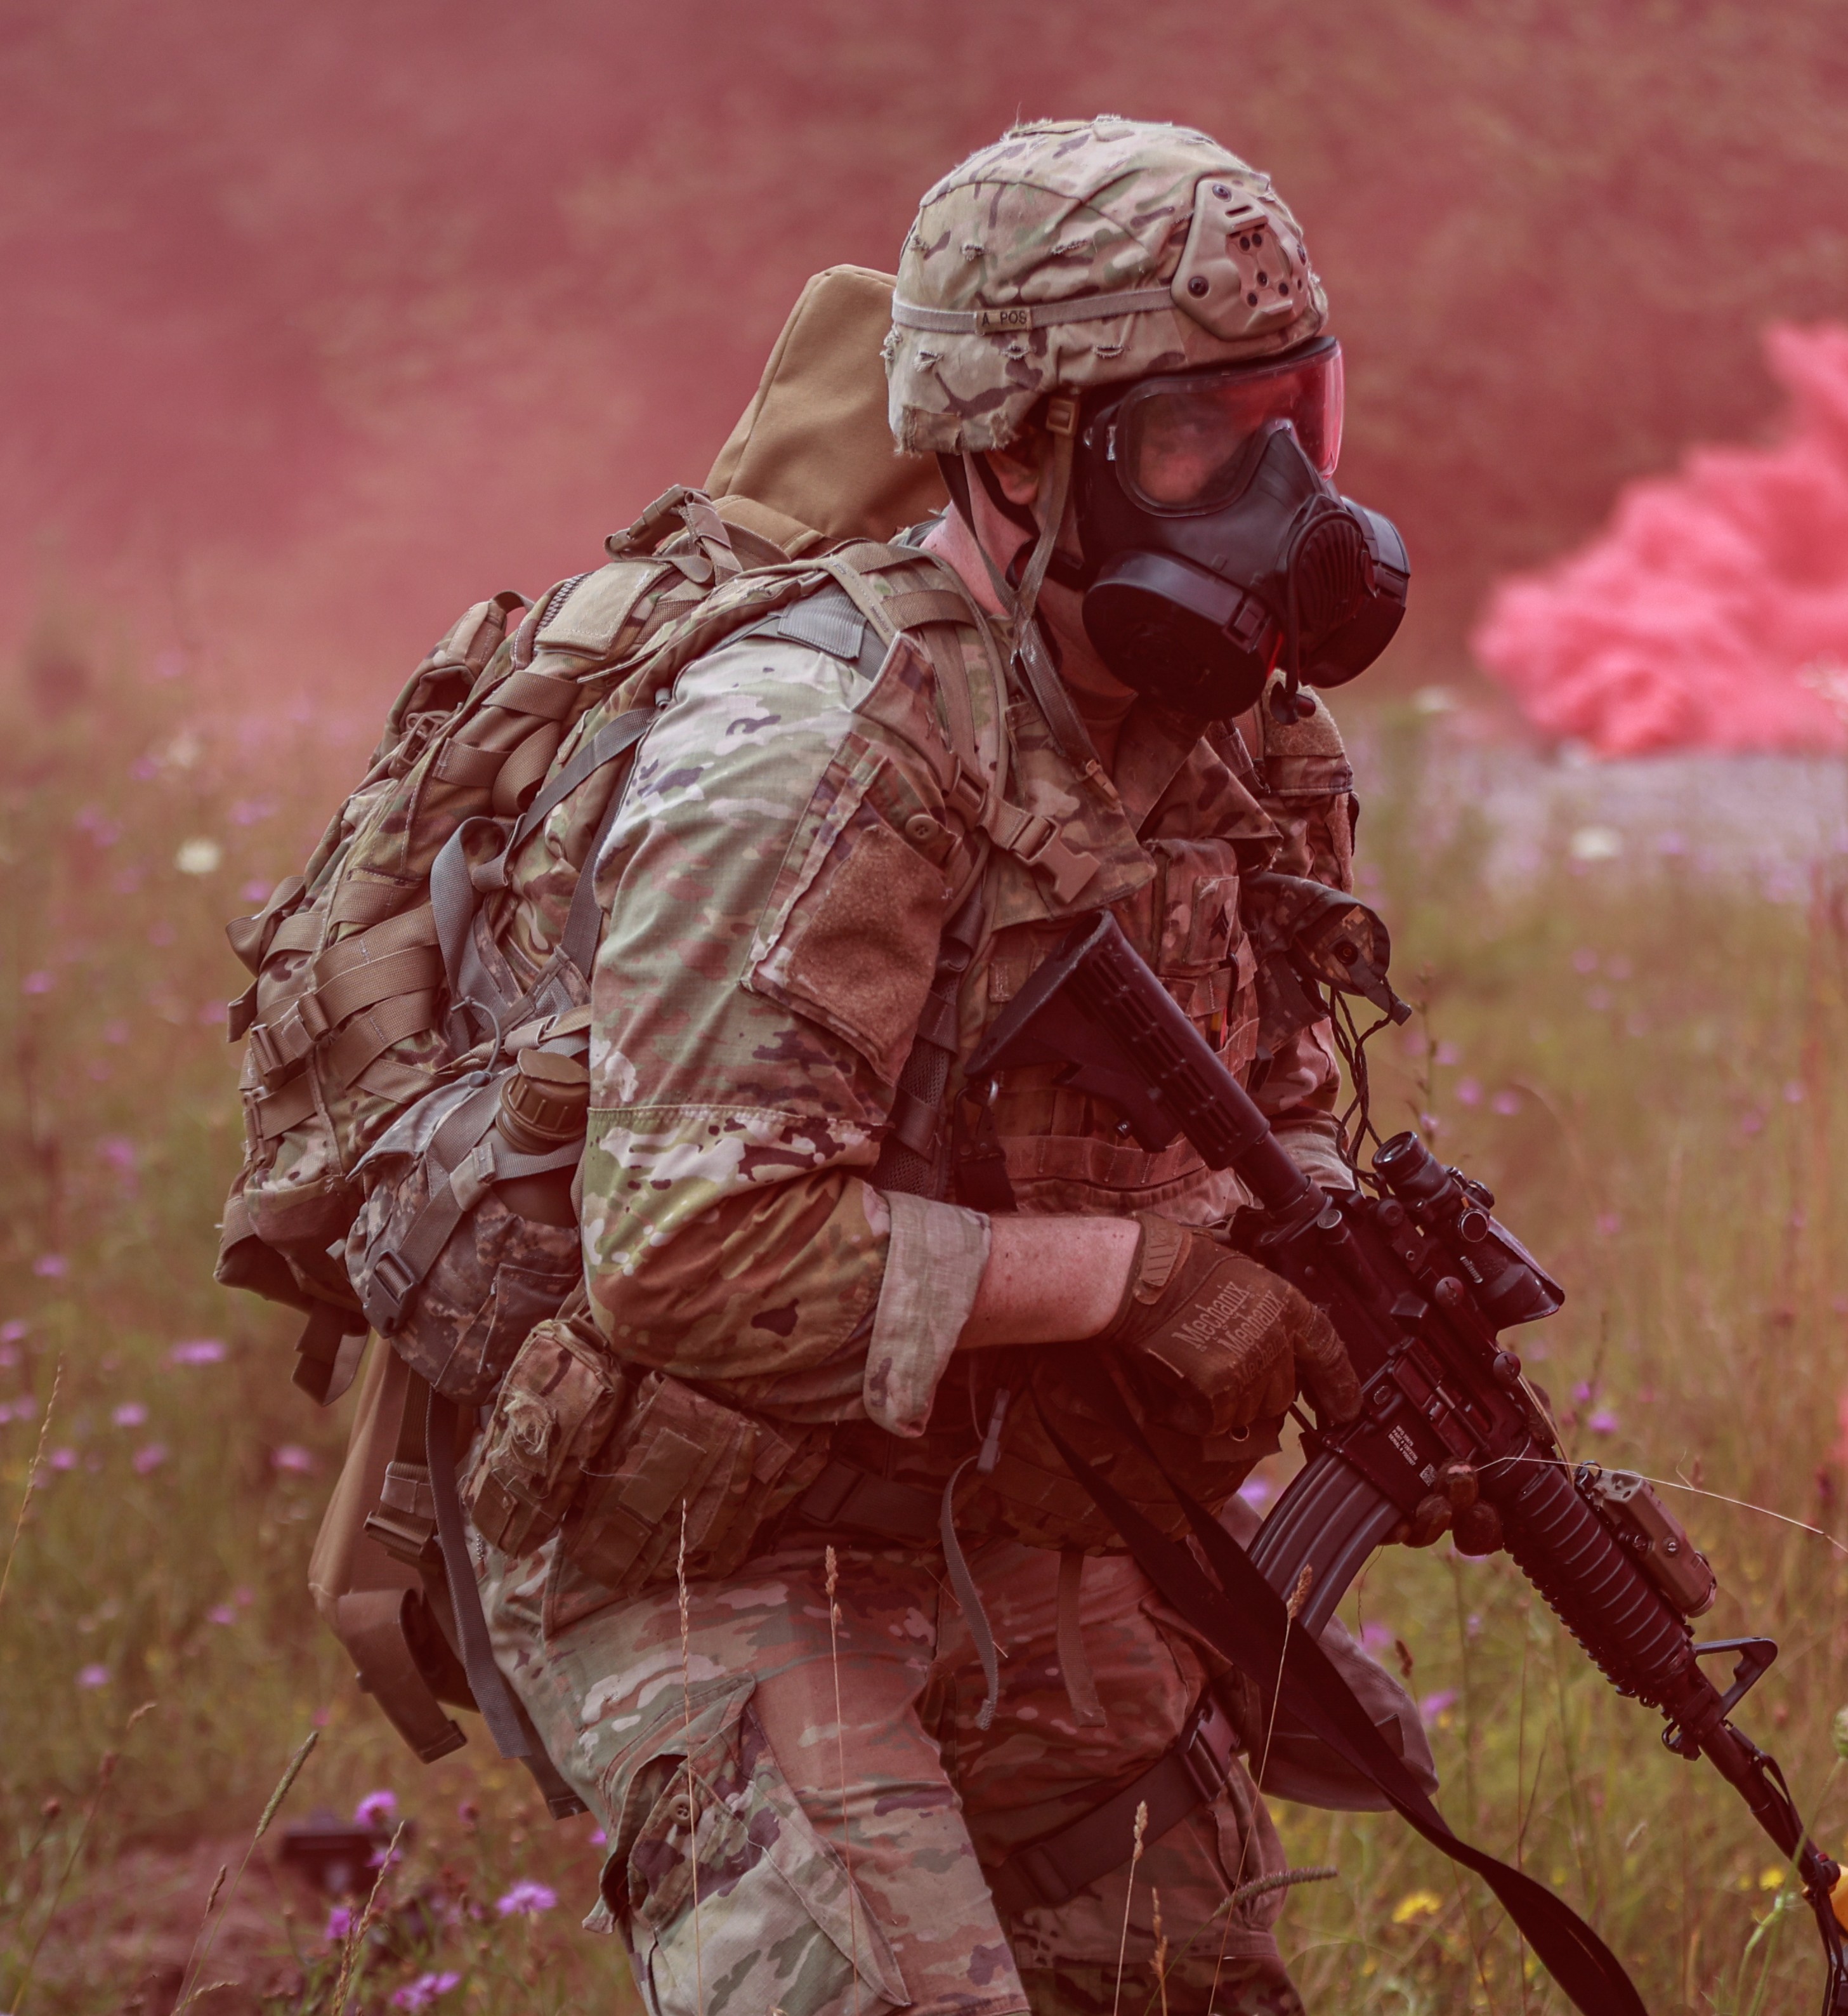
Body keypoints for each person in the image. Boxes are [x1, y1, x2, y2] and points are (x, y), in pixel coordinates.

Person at [479, 117, 1417, 2016]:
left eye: (1296, 419)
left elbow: (1275, 1108)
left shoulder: (1244, 746)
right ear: (1013, 454)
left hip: (1013, 1494)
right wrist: (1138, 1279)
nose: (1283, 498)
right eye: (1197, 442)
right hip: (716, 1531)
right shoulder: (809, 749)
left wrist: (1378, 1329)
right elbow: (681, 1248)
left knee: (1187, 1974)